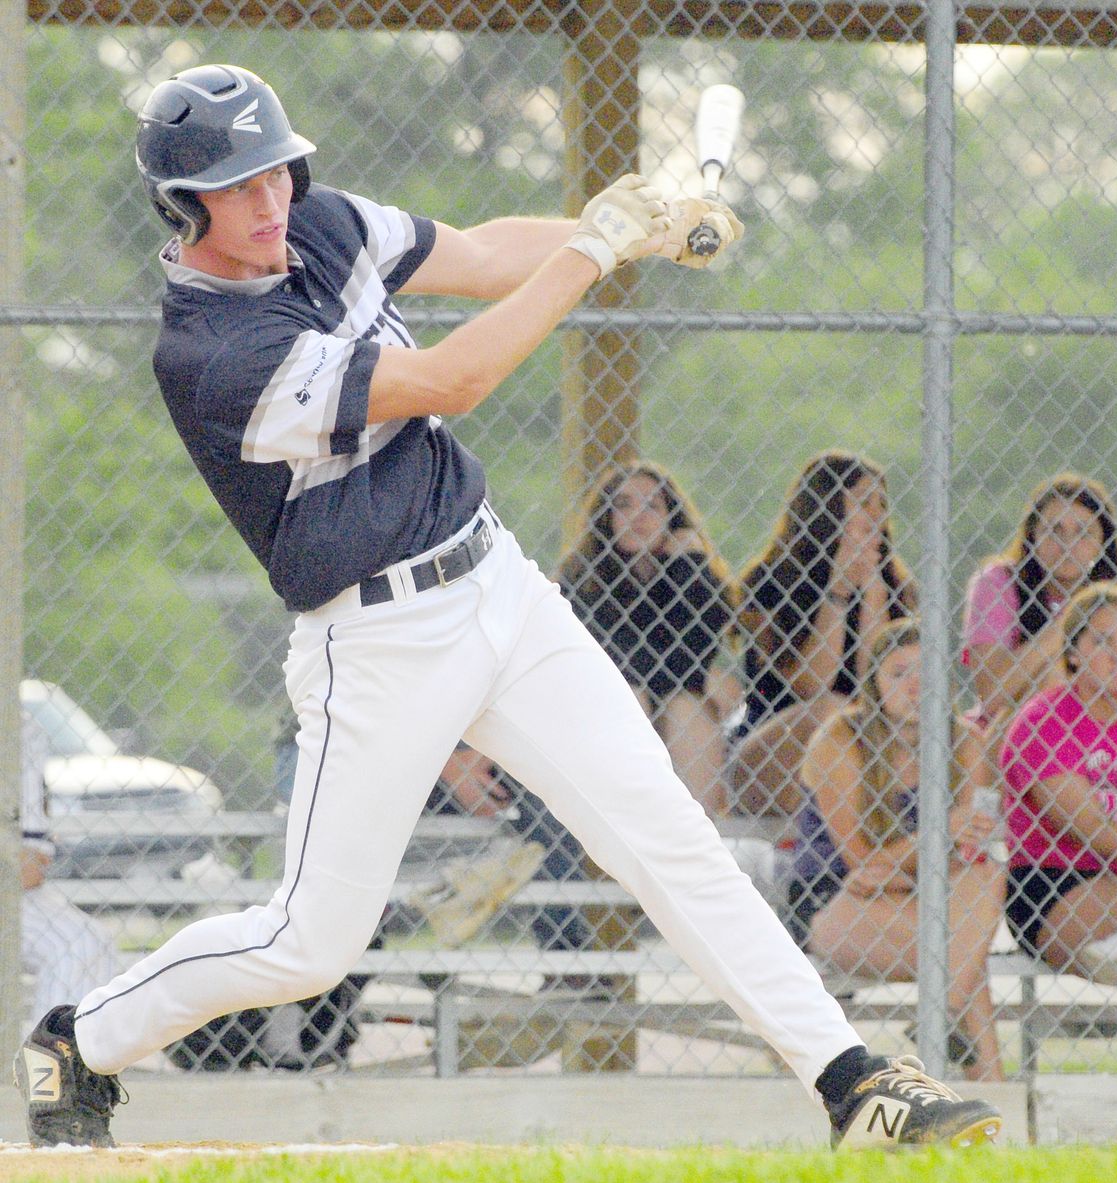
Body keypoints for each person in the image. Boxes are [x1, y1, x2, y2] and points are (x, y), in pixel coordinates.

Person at [14, 64, 999, 1151]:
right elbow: (450, 382)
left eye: (280, 174)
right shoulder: (214, 355)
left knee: (669, 835)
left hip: (499, 586)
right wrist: (593, 249)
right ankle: (78, 1035)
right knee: (309, 940)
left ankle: (853, 1082)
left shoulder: (320, 223)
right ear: (183, 204)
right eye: (241, 187)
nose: (272, 203)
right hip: (375, 640)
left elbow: (481, 254)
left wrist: (640, 229)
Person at [792, 618, 1006, 1082]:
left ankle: (943, 1012)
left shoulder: (965, 740)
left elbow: (970, 852)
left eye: (926, 674)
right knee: (966, 961)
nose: (915, 686)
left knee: (987, 873)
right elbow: (860, 865)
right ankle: (989, 1096)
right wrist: (940, 832)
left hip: (925, 897)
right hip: (836, 900)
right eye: (898, 673)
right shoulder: (841, 739)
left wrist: (923, 856)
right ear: (873, 683)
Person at [732, 450, 917, 819]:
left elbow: (877, 684)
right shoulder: (771, 578)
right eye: (864, 502)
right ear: (827, 509)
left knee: (864, 716)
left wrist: (872, 593)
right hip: (775, 739)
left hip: (867, 738)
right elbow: (810, 685)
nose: (877, 515)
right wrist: (838, 592)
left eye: (881, 503)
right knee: (834, 709)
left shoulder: (895, 585)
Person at [557, 459, 737, 816]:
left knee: (687, 707)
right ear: (605, 517)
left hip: (672, 707)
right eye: (623, 504)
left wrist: (690, 564)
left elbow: (698, 653)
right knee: (633, 698)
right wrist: (689, 674)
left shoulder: (687, 574)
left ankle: (691, 839)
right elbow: (612, 663)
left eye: (651, 505)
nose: (637, 515)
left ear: (672, 518)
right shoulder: (581, 580)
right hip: (602, 708)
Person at [1000, 582, 1117, 992]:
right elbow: (1098, 832)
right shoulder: (1044, 721)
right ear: (1074, 653)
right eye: (1101, 640)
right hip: (1055, 880)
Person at [962, 471, 1117, 731]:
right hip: (1008, 733)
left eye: (1083, 532)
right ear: (1033, 536)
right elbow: (992, 694)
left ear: (1103, 542)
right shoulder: (999, 582)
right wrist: (1075, 612)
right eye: (1054, 530)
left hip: (1105, 735)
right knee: (1057, 673)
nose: (1067, 544)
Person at [18, 709, 119, 1034]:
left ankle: (51, 1073)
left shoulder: (18, 726)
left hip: (10, 894)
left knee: (84, 942)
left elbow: (27, 868)